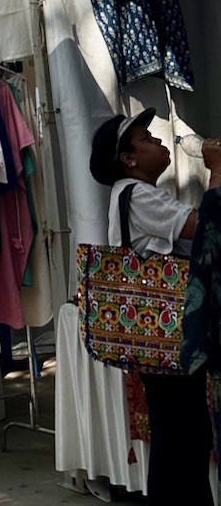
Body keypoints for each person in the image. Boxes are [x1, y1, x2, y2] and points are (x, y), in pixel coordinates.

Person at [89, 108, 221, 506]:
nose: (158, 142)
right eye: (145, 140)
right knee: (182, 433)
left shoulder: (132, 194)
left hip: (159, 337)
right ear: (128, 159)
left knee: (182, 431)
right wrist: (216, 171)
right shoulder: (138, 194)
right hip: (169, 336)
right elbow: (206, 226)